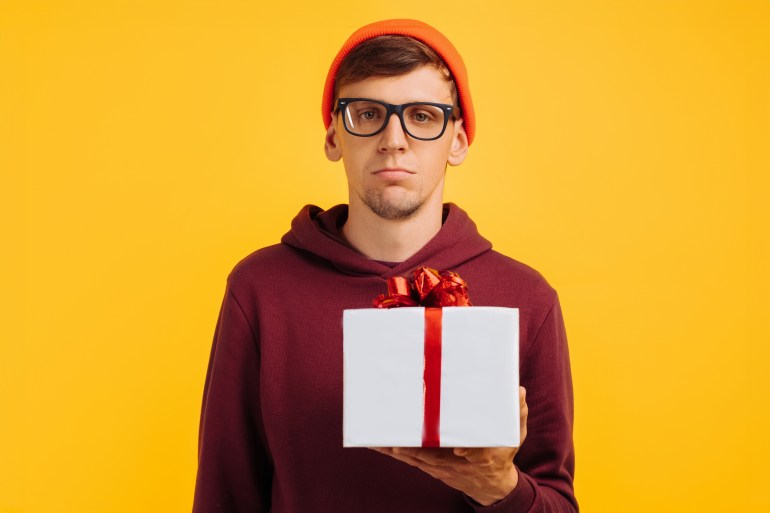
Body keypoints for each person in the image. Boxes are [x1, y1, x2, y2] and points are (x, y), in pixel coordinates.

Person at [192, 19, 577, 513]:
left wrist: (497, 486)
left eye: (421, 116)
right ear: (334, 136)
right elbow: (225, 495)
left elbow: (558, 503)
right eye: (368, 113)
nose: (394, 139)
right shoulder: (260, 289)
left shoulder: (528, 298)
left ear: (457, 140)